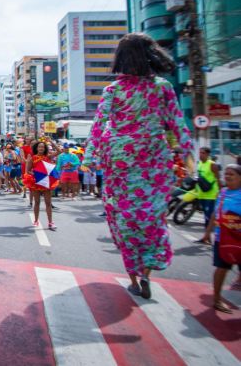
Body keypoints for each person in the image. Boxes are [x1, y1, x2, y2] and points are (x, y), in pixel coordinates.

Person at [82, 32, 193, 300]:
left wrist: (88, 158)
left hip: (120, 162)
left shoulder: (114, 89)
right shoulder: (163, 87)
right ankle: (146, 272)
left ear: (121, 58)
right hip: (155, 162)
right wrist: (190, 160)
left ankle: (134, 276)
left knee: (124, 219)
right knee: (152, 218)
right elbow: (178, 124)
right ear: (151, 55)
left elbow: (99, 124)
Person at [200, 164, 241, 313]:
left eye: (232, 174)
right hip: (222, 238)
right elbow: (214, 215)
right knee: (222, 268)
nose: (228, 176)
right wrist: (207, 233)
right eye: (227, 173)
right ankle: (217, 299)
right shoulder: (222, 193)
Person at [24, 141, 58, 231]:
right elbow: (28, 171)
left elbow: (59, 151)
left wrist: (51, 141)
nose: (41, 148)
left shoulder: (48, 157)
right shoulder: (33, 158)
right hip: (36, 182)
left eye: (43, 147)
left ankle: (50, 222)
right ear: (36, 148)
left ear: (45, 148)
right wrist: (36, 174)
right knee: (37, 202)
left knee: (48, 203)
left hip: (46, 182)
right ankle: (36, 220)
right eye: (39, 147)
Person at [195, 147, 221, 244]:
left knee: (208, 217)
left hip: (211, 195)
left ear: (207, 154)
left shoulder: (212, 165)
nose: (200, 154)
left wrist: (221, 193)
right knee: (206, 217)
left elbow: (218, 179)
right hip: (202, 194)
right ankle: (207, 237)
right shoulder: (200, 164)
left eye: (203, 153)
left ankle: (208, 237)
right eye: (200, 152)